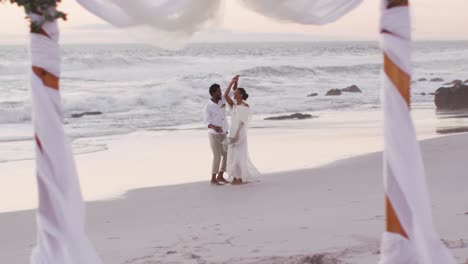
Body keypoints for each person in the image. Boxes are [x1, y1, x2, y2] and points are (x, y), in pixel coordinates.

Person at [223, 75, 260, 185]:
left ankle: (239, 177)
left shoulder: (245, 106)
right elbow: (225, 95)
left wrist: (237, 135)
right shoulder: (233, 105)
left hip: (240, 133)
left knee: (239, 155)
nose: (234, 94)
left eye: (236, 93)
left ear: (241, 95)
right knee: (232, 154)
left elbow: (242, 123)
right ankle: (235, 177)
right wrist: (233, 82)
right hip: (232, 131)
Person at [204, 82, 236, 185]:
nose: (221, 92)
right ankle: (213, 178)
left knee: (226, 154)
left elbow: (233, 91)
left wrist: (235, 82)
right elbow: (206, 122)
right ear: (213, 93)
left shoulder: (222, 99)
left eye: (220, 90)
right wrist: (215, 127)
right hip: (213, 134)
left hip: (223, 132)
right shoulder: (208, 106)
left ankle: (220, 176)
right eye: (218, 91)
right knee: (217, 155)